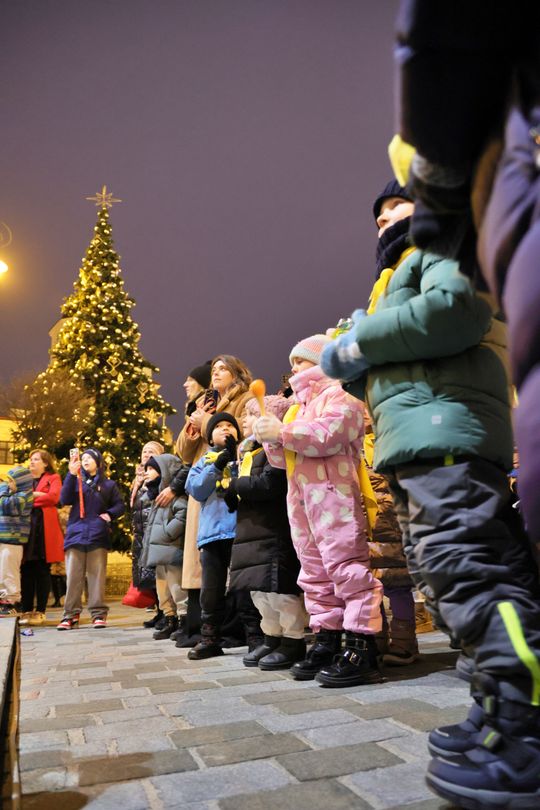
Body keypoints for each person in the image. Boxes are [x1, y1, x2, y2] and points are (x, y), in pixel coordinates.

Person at [321, 178, 540, 808]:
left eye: (398, 205)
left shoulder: (443, 244)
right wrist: (361, 366)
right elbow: (394, 380)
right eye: (379, 214)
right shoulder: (392, 278)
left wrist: (360, 343)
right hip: (417, 439)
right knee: (445, 583)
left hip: (451, 432)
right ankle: (493, 708)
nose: (388, 218)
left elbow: (455, 314)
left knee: (473, 573)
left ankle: (524, 727)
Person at [254, 335, 384, 688]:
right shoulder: (298, 406)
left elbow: (329, 434)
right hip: (302, 502)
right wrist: (271, 436)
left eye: (301, 360)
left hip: (334, 496)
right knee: (313, 572)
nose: (294, 367)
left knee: (347, 566)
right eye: (292, 361)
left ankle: (362, 644)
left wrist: (283, 430)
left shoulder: (342, 395)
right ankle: (328, 638)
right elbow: (282, 460)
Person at [173, 356, 254, 648]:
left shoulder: (244, 398)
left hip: (229, 484)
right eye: (215, 369)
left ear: (237, 373)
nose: (216, 373)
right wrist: (193, 424)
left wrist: (206, 422)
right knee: (206, 561)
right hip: (205, 479)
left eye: (223, 369)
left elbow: (245, 434)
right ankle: (204, 629)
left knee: (229, 560)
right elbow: (182, 451)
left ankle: (237, 629)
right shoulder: (205, 403)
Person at [227, 395, 307, 670]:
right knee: (259, 591)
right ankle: (271, 636)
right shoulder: (249, 453)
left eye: (250, 415)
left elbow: (271, 485)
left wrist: (235, 484)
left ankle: (293, 640)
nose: (244, 421)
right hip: (252, 529)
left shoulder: (276, 451)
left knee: (279, 590)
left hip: (273, 529)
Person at [185, 412, 241, 659]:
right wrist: (216, 466)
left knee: (244, 585)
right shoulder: (204, 461)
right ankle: (210, 637)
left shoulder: (246, 455)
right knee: (212, 588)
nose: (226, 429)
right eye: (219, 426)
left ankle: (255, 634)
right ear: (209, 435)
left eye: (230, 425)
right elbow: (196, 489)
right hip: (213, 532)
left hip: (241, 530)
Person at [58, 448, 125, 629]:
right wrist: (71, 475)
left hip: (97, 534)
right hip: (75, 534)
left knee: (96, 576)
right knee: (73, 576)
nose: (85, 460)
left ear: (98, 462)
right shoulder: (76, 481)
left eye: (90, 457)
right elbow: (64, 498)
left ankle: (98, 613)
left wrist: (109, 515)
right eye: (83, 457)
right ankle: (70, 615)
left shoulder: (109, 485)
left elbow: (120, 505)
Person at [139, 454, 189, 640]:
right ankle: (170, 619)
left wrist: (168, 533)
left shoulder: (174, 496)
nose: (148, 473)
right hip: (158, 552)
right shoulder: (154, 496)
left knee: (177, 587)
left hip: (171, 549)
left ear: (165, 471)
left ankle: (183, 620)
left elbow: (182, 514)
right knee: (163, 590)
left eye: (152, 469)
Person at [19, 449, 64, 626]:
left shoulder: (53, 478)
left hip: (45, 528)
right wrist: (37, 496)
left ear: (45, 463)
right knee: (26, 570)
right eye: (31, 459)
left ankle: (40, 611)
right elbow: (20, 500)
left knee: (42, 570)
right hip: (27, 528)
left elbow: (54, 498)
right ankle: (26, 610)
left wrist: (32, 498)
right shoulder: (24, 480)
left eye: (36, 459)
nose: (32, 462)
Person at [130, 440, 166, 629]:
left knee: (158, 574)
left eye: (151, 451)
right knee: (148, 576)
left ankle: (165, 612)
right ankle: (159, 611)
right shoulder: (138, 480)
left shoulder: (161, 477)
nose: (146, 454)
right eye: (144, 451)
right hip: (141, 534)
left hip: (154, 532)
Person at [0, 465, 33, 616]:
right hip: (4, 539)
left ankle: (13, 602)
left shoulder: (25, 496)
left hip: (13, 541)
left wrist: (1, 490)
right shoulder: (11, 494)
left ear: (21, 483)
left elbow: (6, 506)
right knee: (2, 572)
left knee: (9, 573)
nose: (8, 484)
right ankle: (3, 602)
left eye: (11, 481)